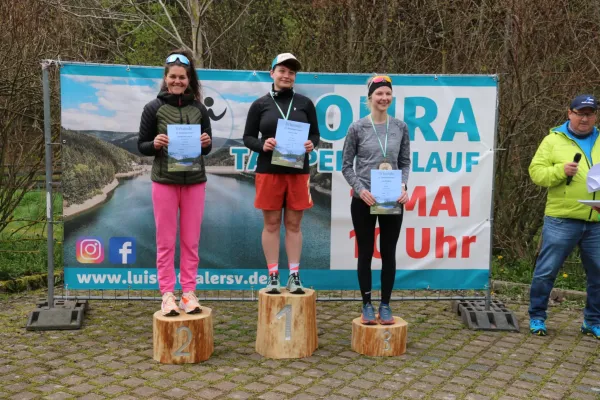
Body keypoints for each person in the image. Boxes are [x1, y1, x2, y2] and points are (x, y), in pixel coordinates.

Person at [138, 49, 212, 316]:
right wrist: (154, 144)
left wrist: (206, 143)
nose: (177, 81)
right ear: (166, 78)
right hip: (164, 182)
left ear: (189, 79)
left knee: (191, 241)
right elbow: (142, 145)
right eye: (173, 77)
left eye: (182, 77)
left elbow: (206, 148)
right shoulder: (153, 108)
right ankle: (167, 294)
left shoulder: (199, 109)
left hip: (195, 182)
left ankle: (188, 293)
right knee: (166, 241)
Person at [243, 53, 320, 294]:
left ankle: (295, 276)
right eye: (282, 71)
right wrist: (261, 145)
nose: (286, 75)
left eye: (291, 72)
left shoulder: (305, 103)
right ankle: (273, 275)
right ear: (272, 73)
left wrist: (311, 144)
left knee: (294, 224)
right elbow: (247, 137)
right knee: (272, 223)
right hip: (269, 171)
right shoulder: (260, 104)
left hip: (298, 172)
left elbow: (315, 135)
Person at [528, 94, 600, 338]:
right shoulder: (553, 140)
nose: (585, 118)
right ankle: (537, 317)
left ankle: (592, 321)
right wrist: (560, 170)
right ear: (569, 113)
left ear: (595, 116)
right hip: (562, 219)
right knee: (547, 271)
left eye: (590, 113)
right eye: (580, 113)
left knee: (598, 274)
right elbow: (536, 173)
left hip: (596, 221)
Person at [341, 75, 410, 325]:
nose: (384, 98)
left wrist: (403, 186)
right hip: (365, 200)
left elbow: (404, 162)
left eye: (387, 94)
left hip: (392, 200)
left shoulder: (401, 127)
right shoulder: (357, 128)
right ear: (369, 97)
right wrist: (360, 190)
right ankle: (367, 304)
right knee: (366, 253)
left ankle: (386, 304)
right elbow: (346, 166)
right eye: (379, 94)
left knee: (389, 253)